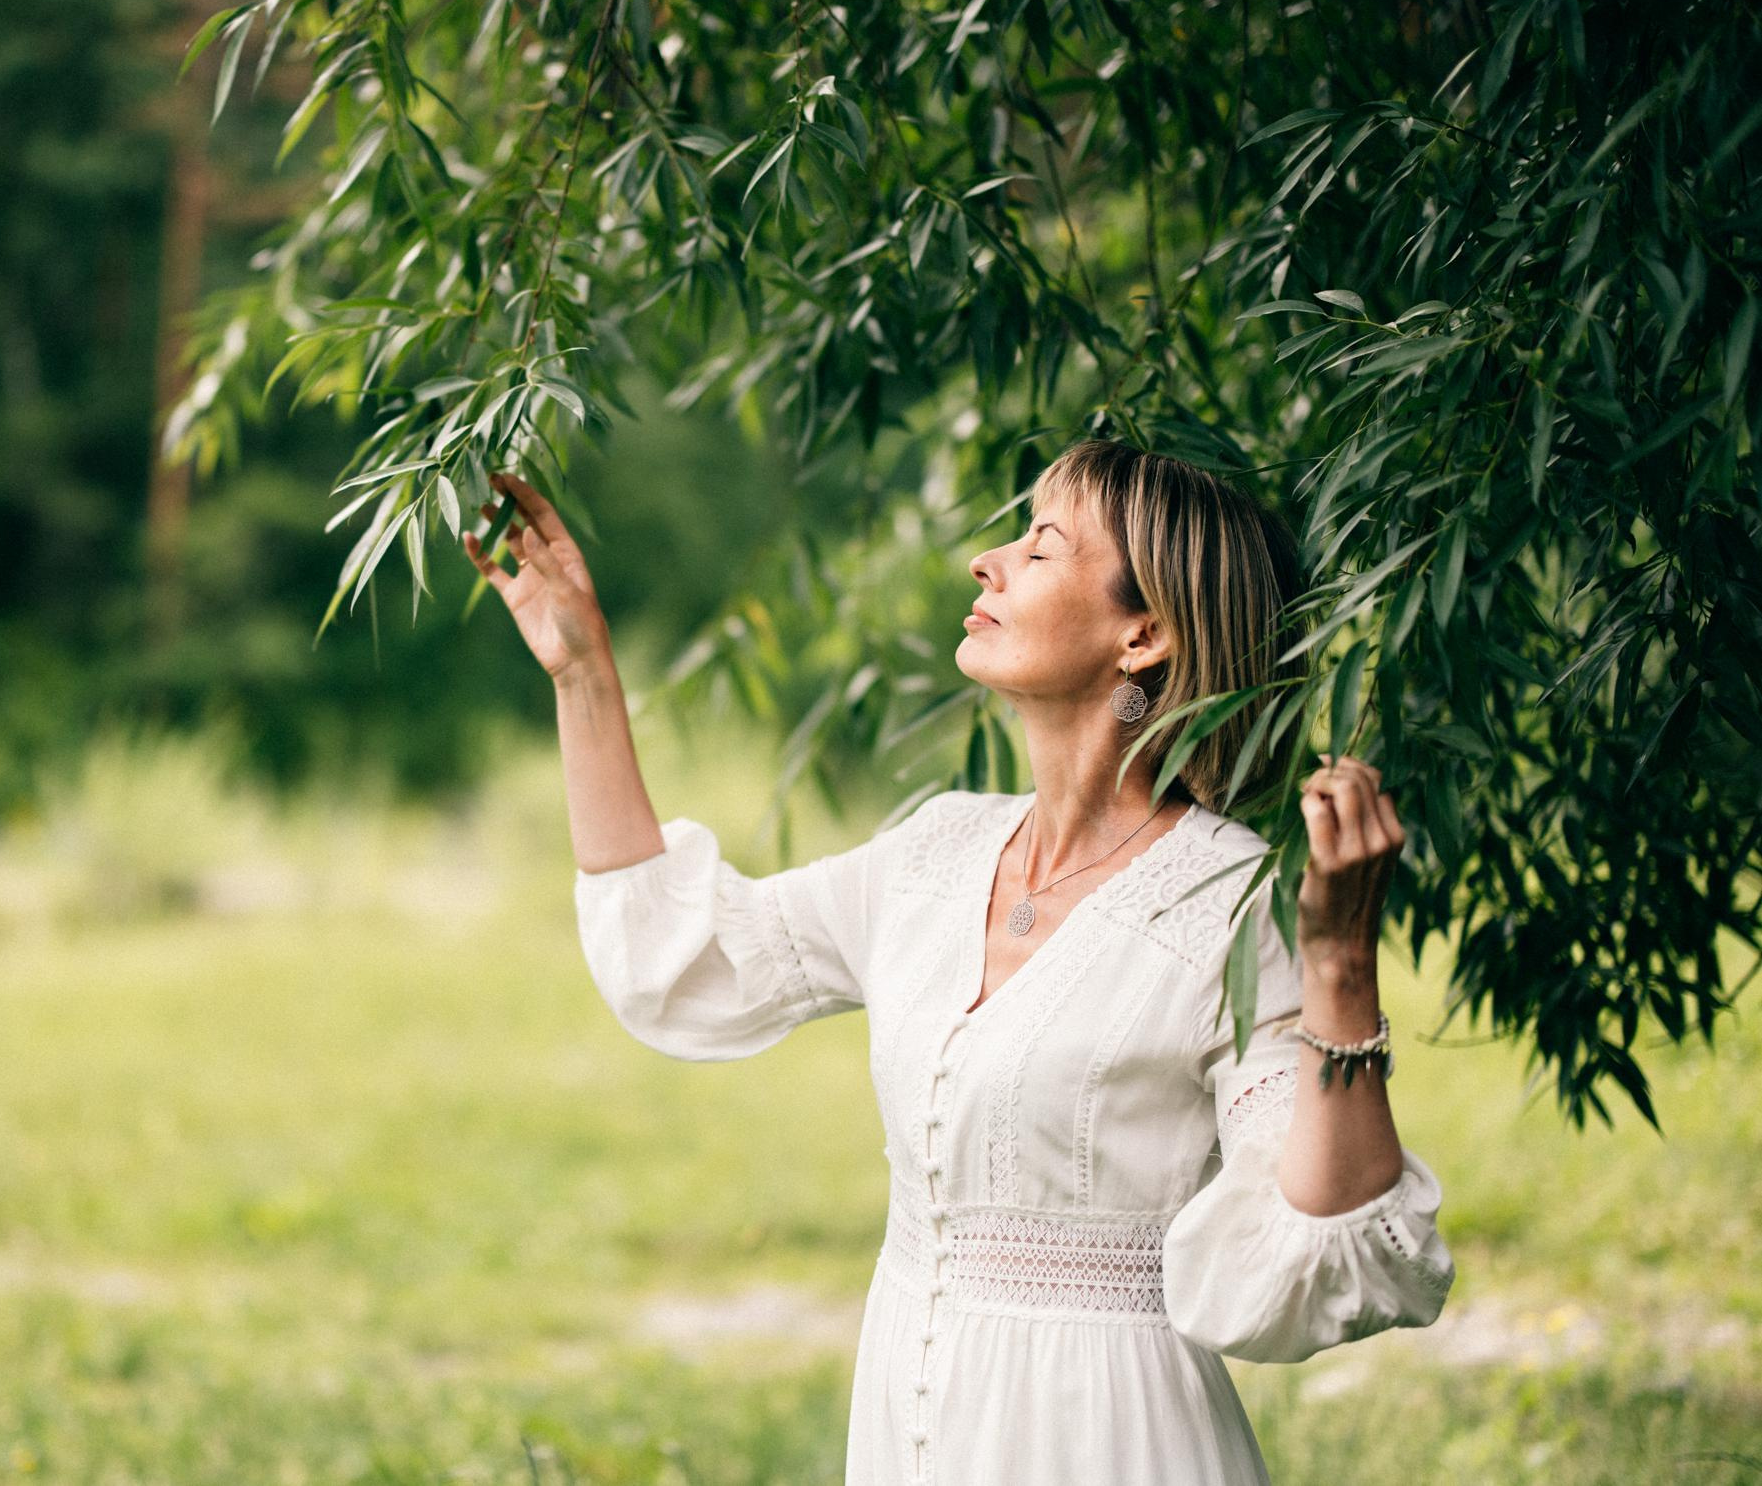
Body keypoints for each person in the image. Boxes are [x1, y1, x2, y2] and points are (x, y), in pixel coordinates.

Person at [462, 441, 1454, 1485]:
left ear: (1143, 633)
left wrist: (1341, 963)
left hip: (1111, 1443)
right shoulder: (933, 854)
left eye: (1040, 545)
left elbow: (1320, 1242)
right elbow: (690, 961)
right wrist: (581, 671)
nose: (986, 560)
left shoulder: (1224, 902)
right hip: (912, 1433)